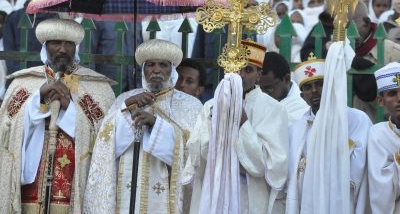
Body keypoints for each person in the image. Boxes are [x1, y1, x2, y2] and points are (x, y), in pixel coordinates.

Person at [0, 19, 116, 213]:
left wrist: (69, 108)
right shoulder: (24, 83)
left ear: (75, 47)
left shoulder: (96, 87)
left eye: (68, 44)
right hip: (30, 179)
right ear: (45, 47)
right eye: (56, 43)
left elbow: (104, 135)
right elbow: (7, 128)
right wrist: (39, 98)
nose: (62, 49)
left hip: (73, 177)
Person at [84, 39, 203, 213]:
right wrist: (126, 109)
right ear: (143, 69)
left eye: (163, 65)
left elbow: (192, 154)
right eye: (151, 65)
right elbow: (105, 147)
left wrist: (156, 125)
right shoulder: (124, 99)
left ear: (172, 70)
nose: (156, 70)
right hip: (125, 191)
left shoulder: (190, 105)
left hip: (166, 189)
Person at [183, 40, 289, 213]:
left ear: (259, 75)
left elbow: (270, 166)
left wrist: (244, 123)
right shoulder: (210, 106)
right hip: (215, 192)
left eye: (248, 70)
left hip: (250, 196)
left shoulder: (274, 110)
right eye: (236, 68)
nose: (241, 74)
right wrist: (215, 123)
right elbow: (198, 156)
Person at [286, 57, 371, 214]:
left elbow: (362, 168)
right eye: (308, 87)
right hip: (310, 200)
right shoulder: (297, 129)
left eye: (320, 84)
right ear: (301, 96)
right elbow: (293, 176)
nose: (314, 91)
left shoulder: (356, 120)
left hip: (344, 200)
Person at [3, 0, 57, 75]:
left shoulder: (53, 19)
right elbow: (9, 51)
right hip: (19, 75)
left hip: (45, 76)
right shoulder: (14, 18)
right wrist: (18, 74)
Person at [368, 62, 400, 213]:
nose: (399, 98)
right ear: (380, 101)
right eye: (392, 93)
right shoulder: (377, 135)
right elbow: (380, 188)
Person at [259, 51, 309, 126]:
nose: (263, 94)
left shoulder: (302, 107)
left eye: (269, 88)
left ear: (286, 79)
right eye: (260, 88)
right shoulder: (257, 97)